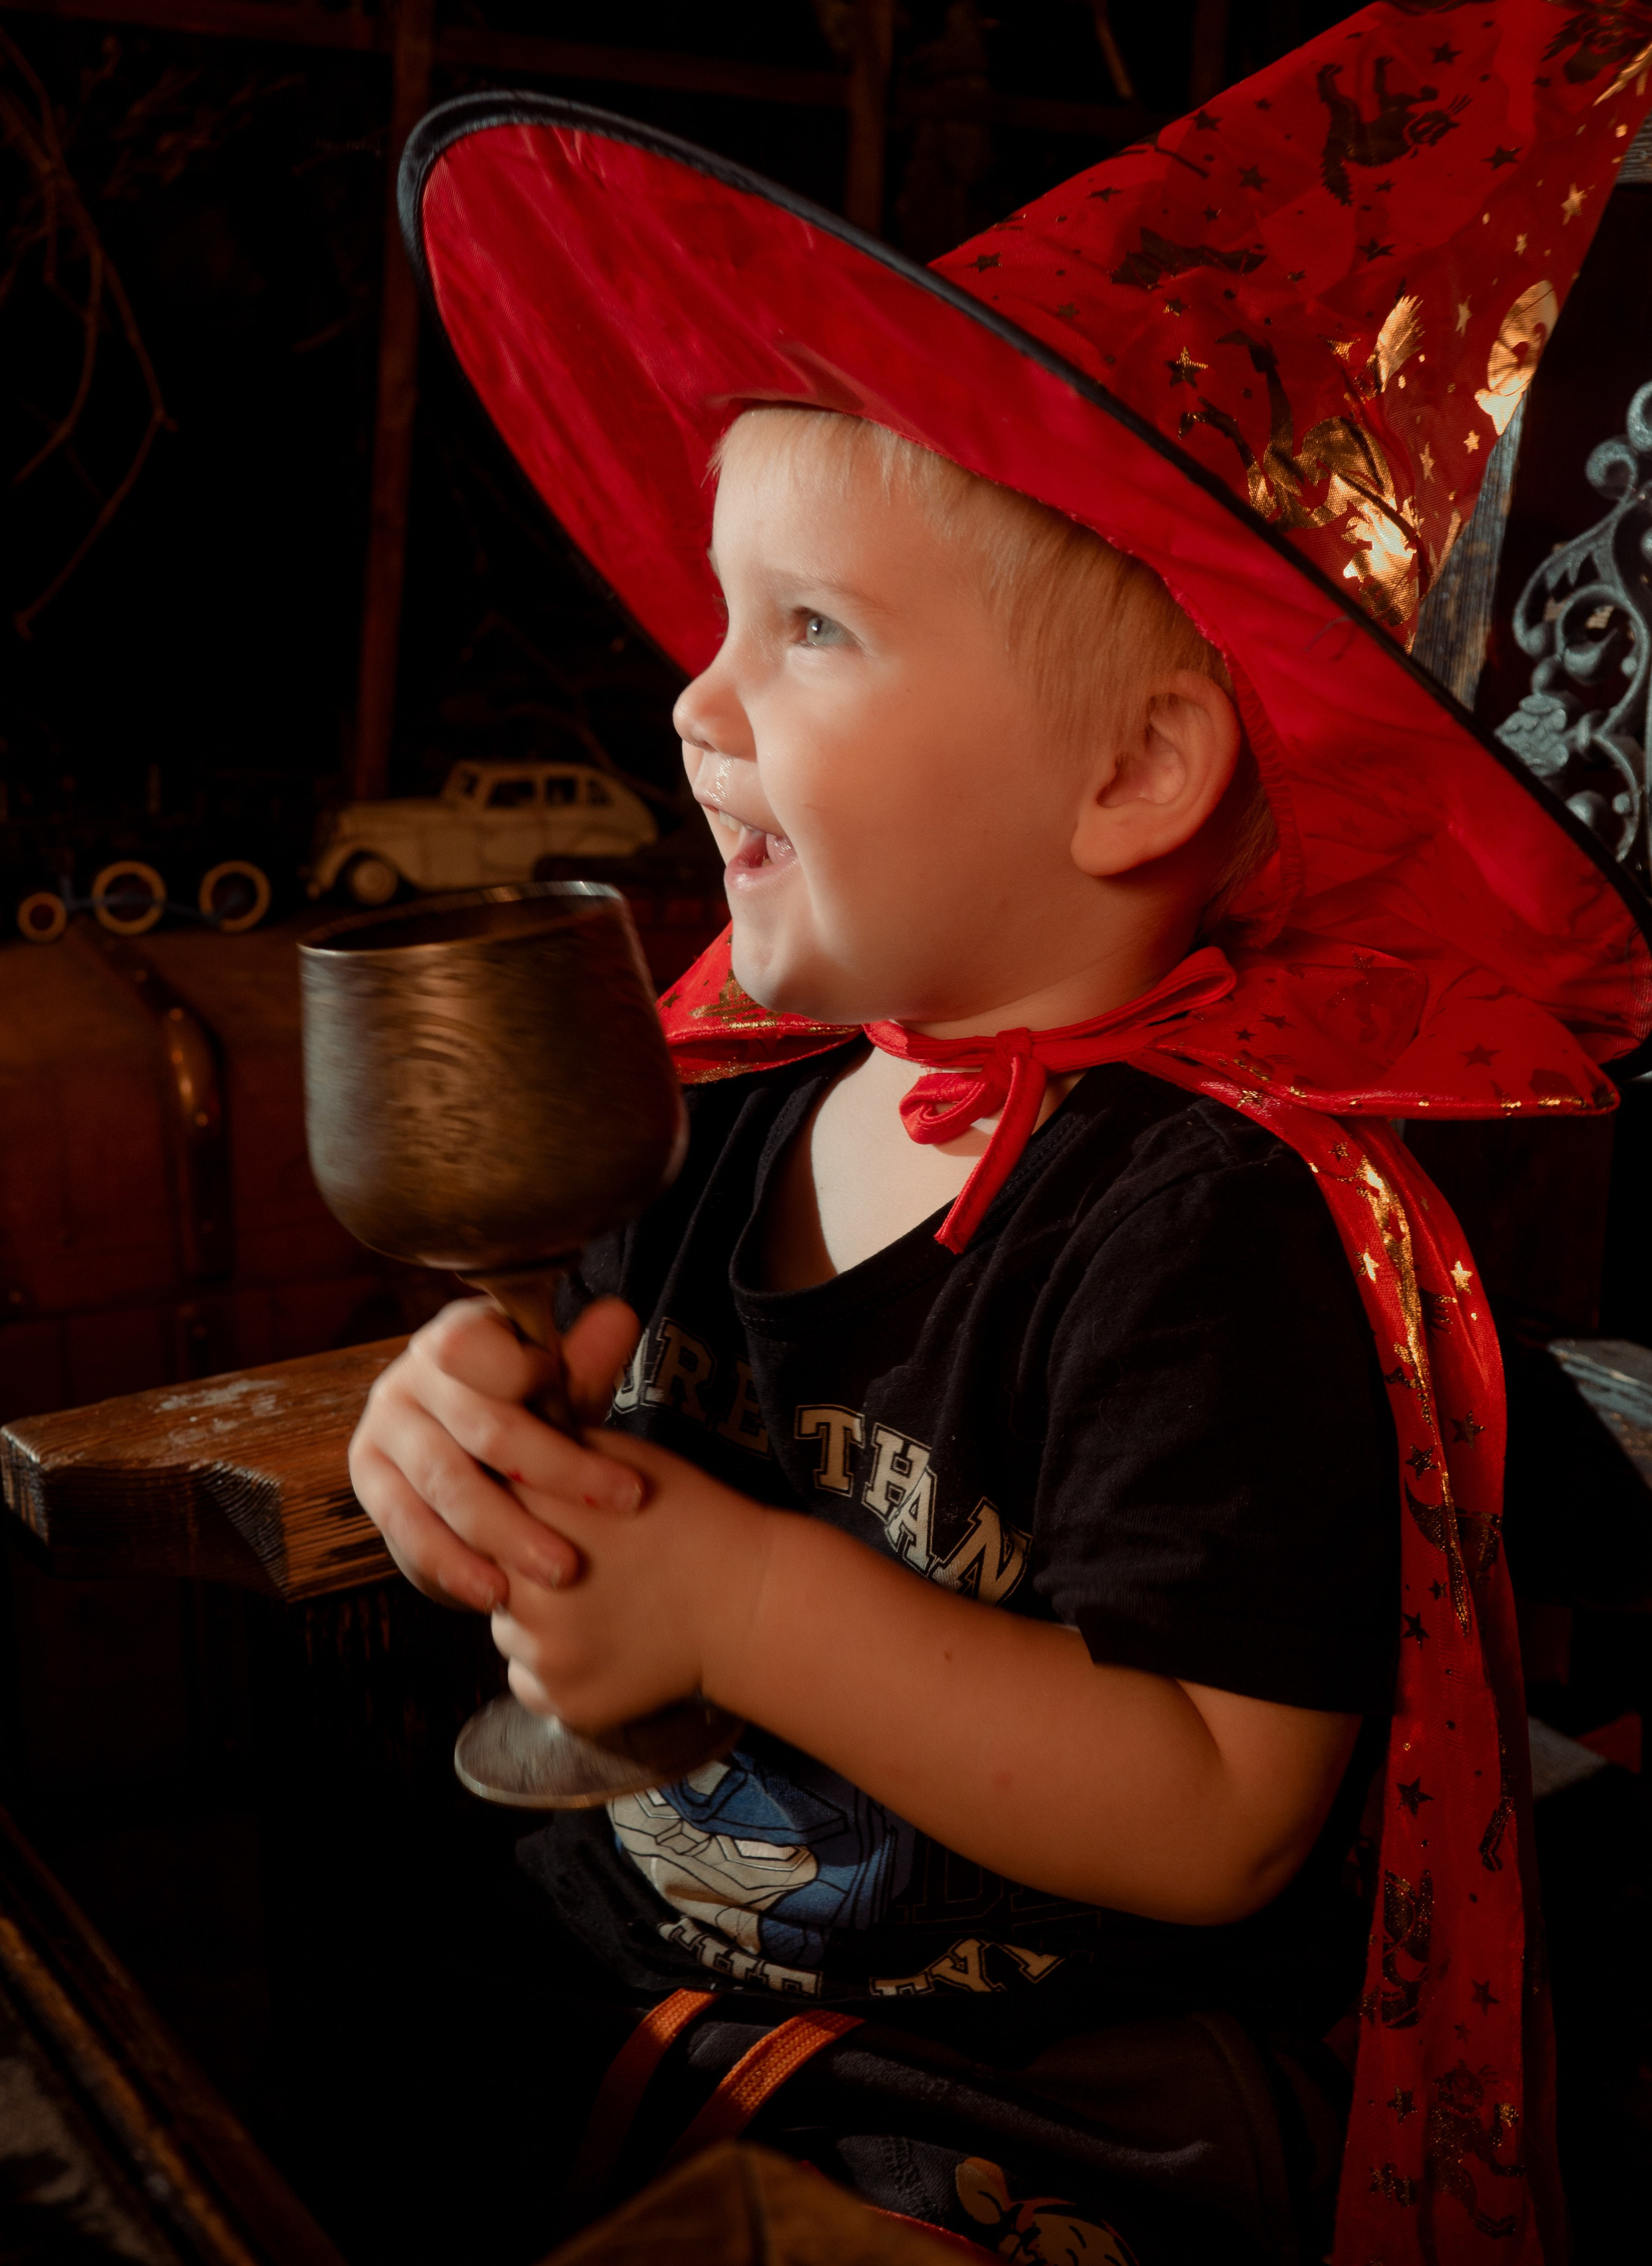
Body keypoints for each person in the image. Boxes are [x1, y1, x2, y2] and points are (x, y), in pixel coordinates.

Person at [358, 2, 1652, 2259]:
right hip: (633, 1978)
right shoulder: (726, 1134)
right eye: (719, 611)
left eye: (814, 630)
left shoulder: (1213, 1218)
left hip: (1018, 2105)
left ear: (1137, 776)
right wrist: (472, 1461)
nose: (696, 697)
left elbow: (1222, 1803)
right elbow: (596, 1488)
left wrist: (736, 1594)